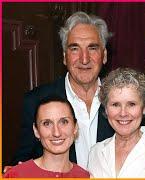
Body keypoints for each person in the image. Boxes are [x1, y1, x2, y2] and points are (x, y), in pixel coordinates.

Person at [7, 11, 115, 171]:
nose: (84, 59)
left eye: (92, 48)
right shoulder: (36, 101)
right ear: (64, 57)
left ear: (104, 56)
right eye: (75, 49)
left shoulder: (123, 104)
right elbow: (23, 161)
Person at [88, 68, 145, 178]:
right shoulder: (95, 153)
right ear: (106, 109)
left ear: (144, 108)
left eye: (131, 104)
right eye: (115, 105)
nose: (123, 113)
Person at [4, 96, 89, 178]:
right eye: (47, 123)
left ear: (75, 127)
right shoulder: (17, 175)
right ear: (36, 131)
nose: (56, 133)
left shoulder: (84, 176)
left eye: (64, 122)